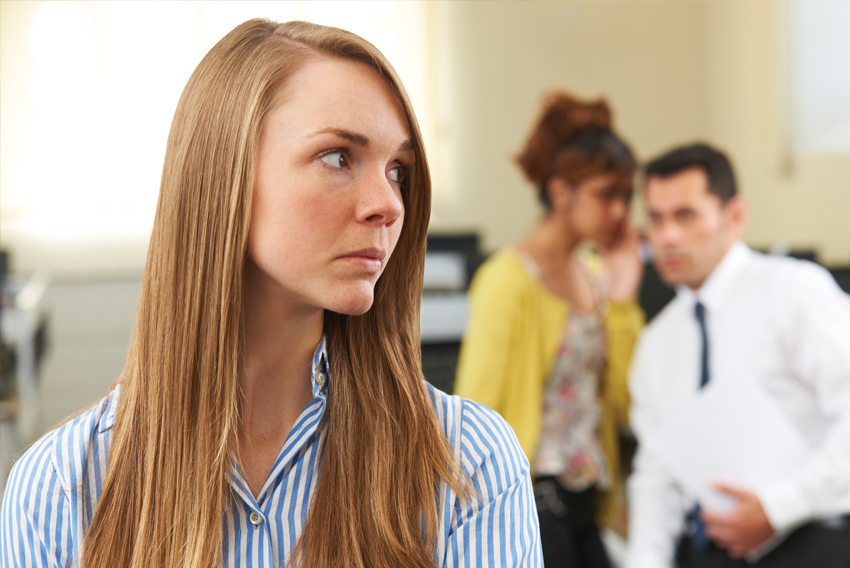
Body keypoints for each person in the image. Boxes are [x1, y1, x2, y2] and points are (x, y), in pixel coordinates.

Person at [0, 20, 543, 568]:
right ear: (223, 174)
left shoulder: (467, 466)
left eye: (397, 170)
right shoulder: (62, 491)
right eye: (338, 157)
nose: (389, 204)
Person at [626, 143, 850, 568]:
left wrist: (778, 507)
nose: (667, 236)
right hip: (712, 551)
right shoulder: (657, 343)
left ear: (734, 217)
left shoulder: (794, 293)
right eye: (655, 219)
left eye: (685, 215)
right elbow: (657, 477)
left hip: (817, 540)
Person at [454, 92, 645, 568]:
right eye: (607, 194)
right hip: (528, 500)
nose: (621, 211)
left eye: (626, 196)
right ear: (561, 192)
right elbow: (474, 411)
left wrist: (622, 306)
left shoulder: (599, 277)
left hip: (586, 498)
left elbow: (628, 401)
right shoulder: (507, 280)